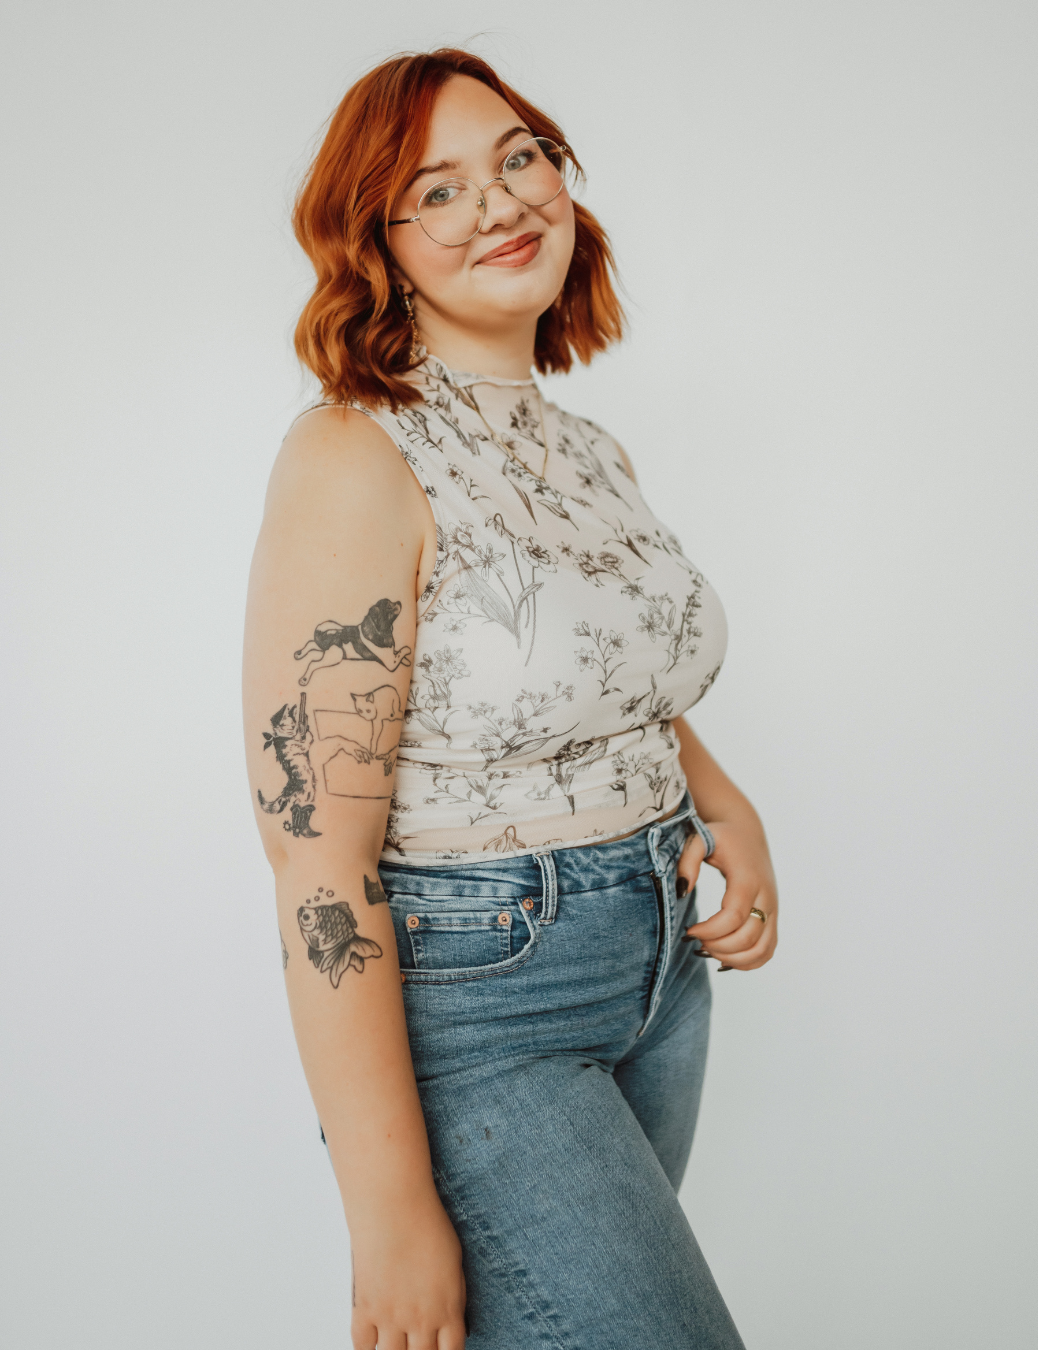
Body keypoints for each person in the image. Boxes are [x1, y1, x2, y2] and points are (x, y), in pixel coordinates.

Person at [243, 47, 778, 1350]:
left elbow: (605, 677)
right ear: (377, 247)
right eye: (437, 190)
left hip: (664, 967)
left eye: (519, 158)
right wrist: (387, 1214)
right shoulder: (355, 452)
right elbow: (316, 853)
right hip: (487, 995)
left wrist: (725, 803)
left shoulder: (590, 450)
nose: (498, 203)